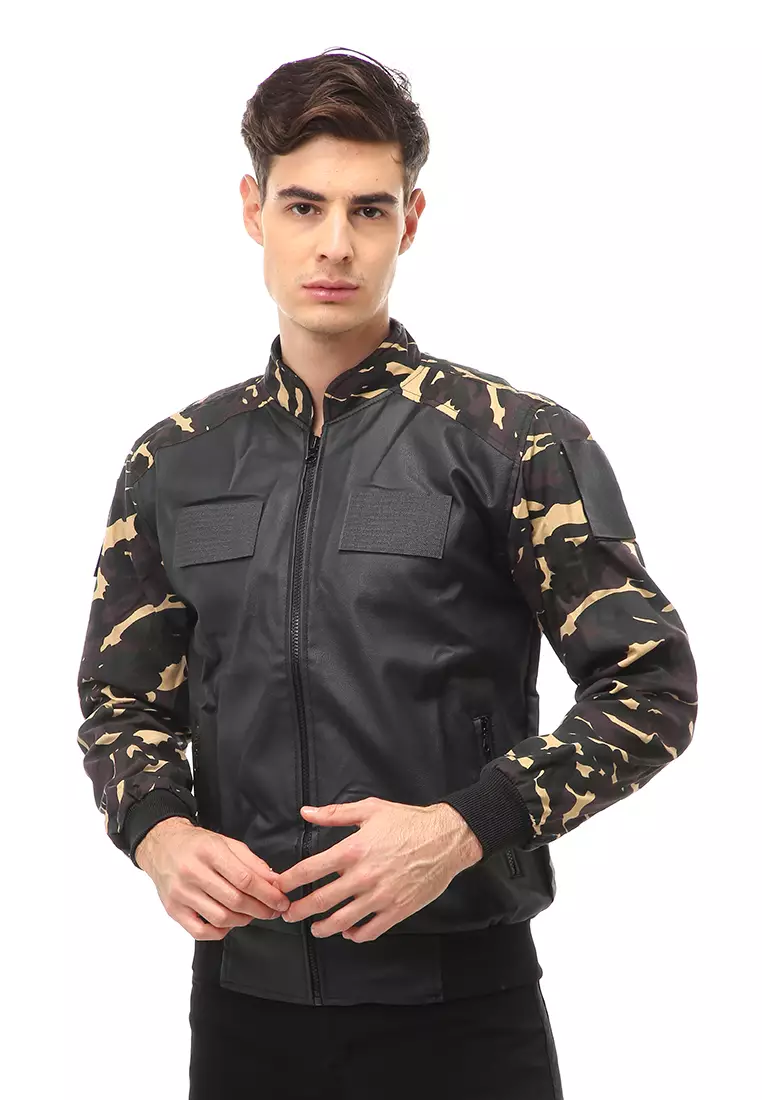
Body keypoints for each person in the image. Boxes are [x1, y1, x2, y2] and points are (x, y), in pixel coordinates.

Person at [76, 46, 698, 1100]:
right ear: (254, 211)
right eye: (304, 205)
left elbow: (651, 684)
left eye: (368, 210)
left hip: (464, 1010)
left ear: (409, 222)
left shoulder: (511, 442)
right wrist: (160, 831)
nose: (335, 244)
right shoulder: (173, 460)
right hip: (244, 1010)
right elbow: (120, 698)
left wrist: (463, 826)